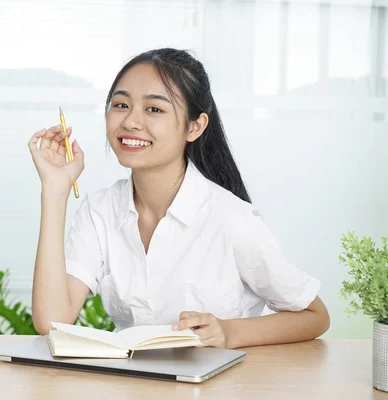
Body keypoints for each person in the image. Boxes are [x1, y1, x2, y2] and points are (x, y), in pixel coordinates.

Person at [27, 48, 330, 349]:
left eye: (154, 109)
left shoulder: (231, 219)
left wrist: (229, 332)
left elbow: (315, 316)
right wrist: (55, 189)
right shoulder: (100, 212)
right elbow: (51, 321)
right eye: (121, 104)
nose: (130, 122)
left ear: (195, 127)